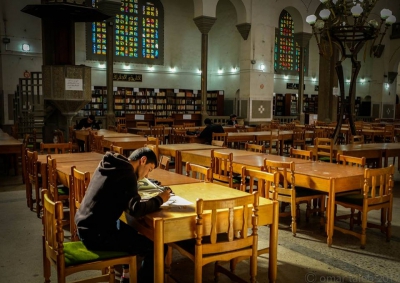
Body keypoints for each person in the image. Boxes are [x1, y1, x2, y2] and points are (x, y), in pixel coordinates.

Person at [75, 147, 171, 283]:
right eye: (149, 169)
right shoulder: (127, 174)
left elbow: (127, 203)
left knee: (127, 225)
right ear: (143, 160)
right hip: (96, 236)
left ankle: (126, 275)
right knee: (157, 248)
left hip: (85, 227)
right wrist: (160, 198)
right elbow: (136, 209)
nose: (147, 175)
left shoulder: (112, 164)